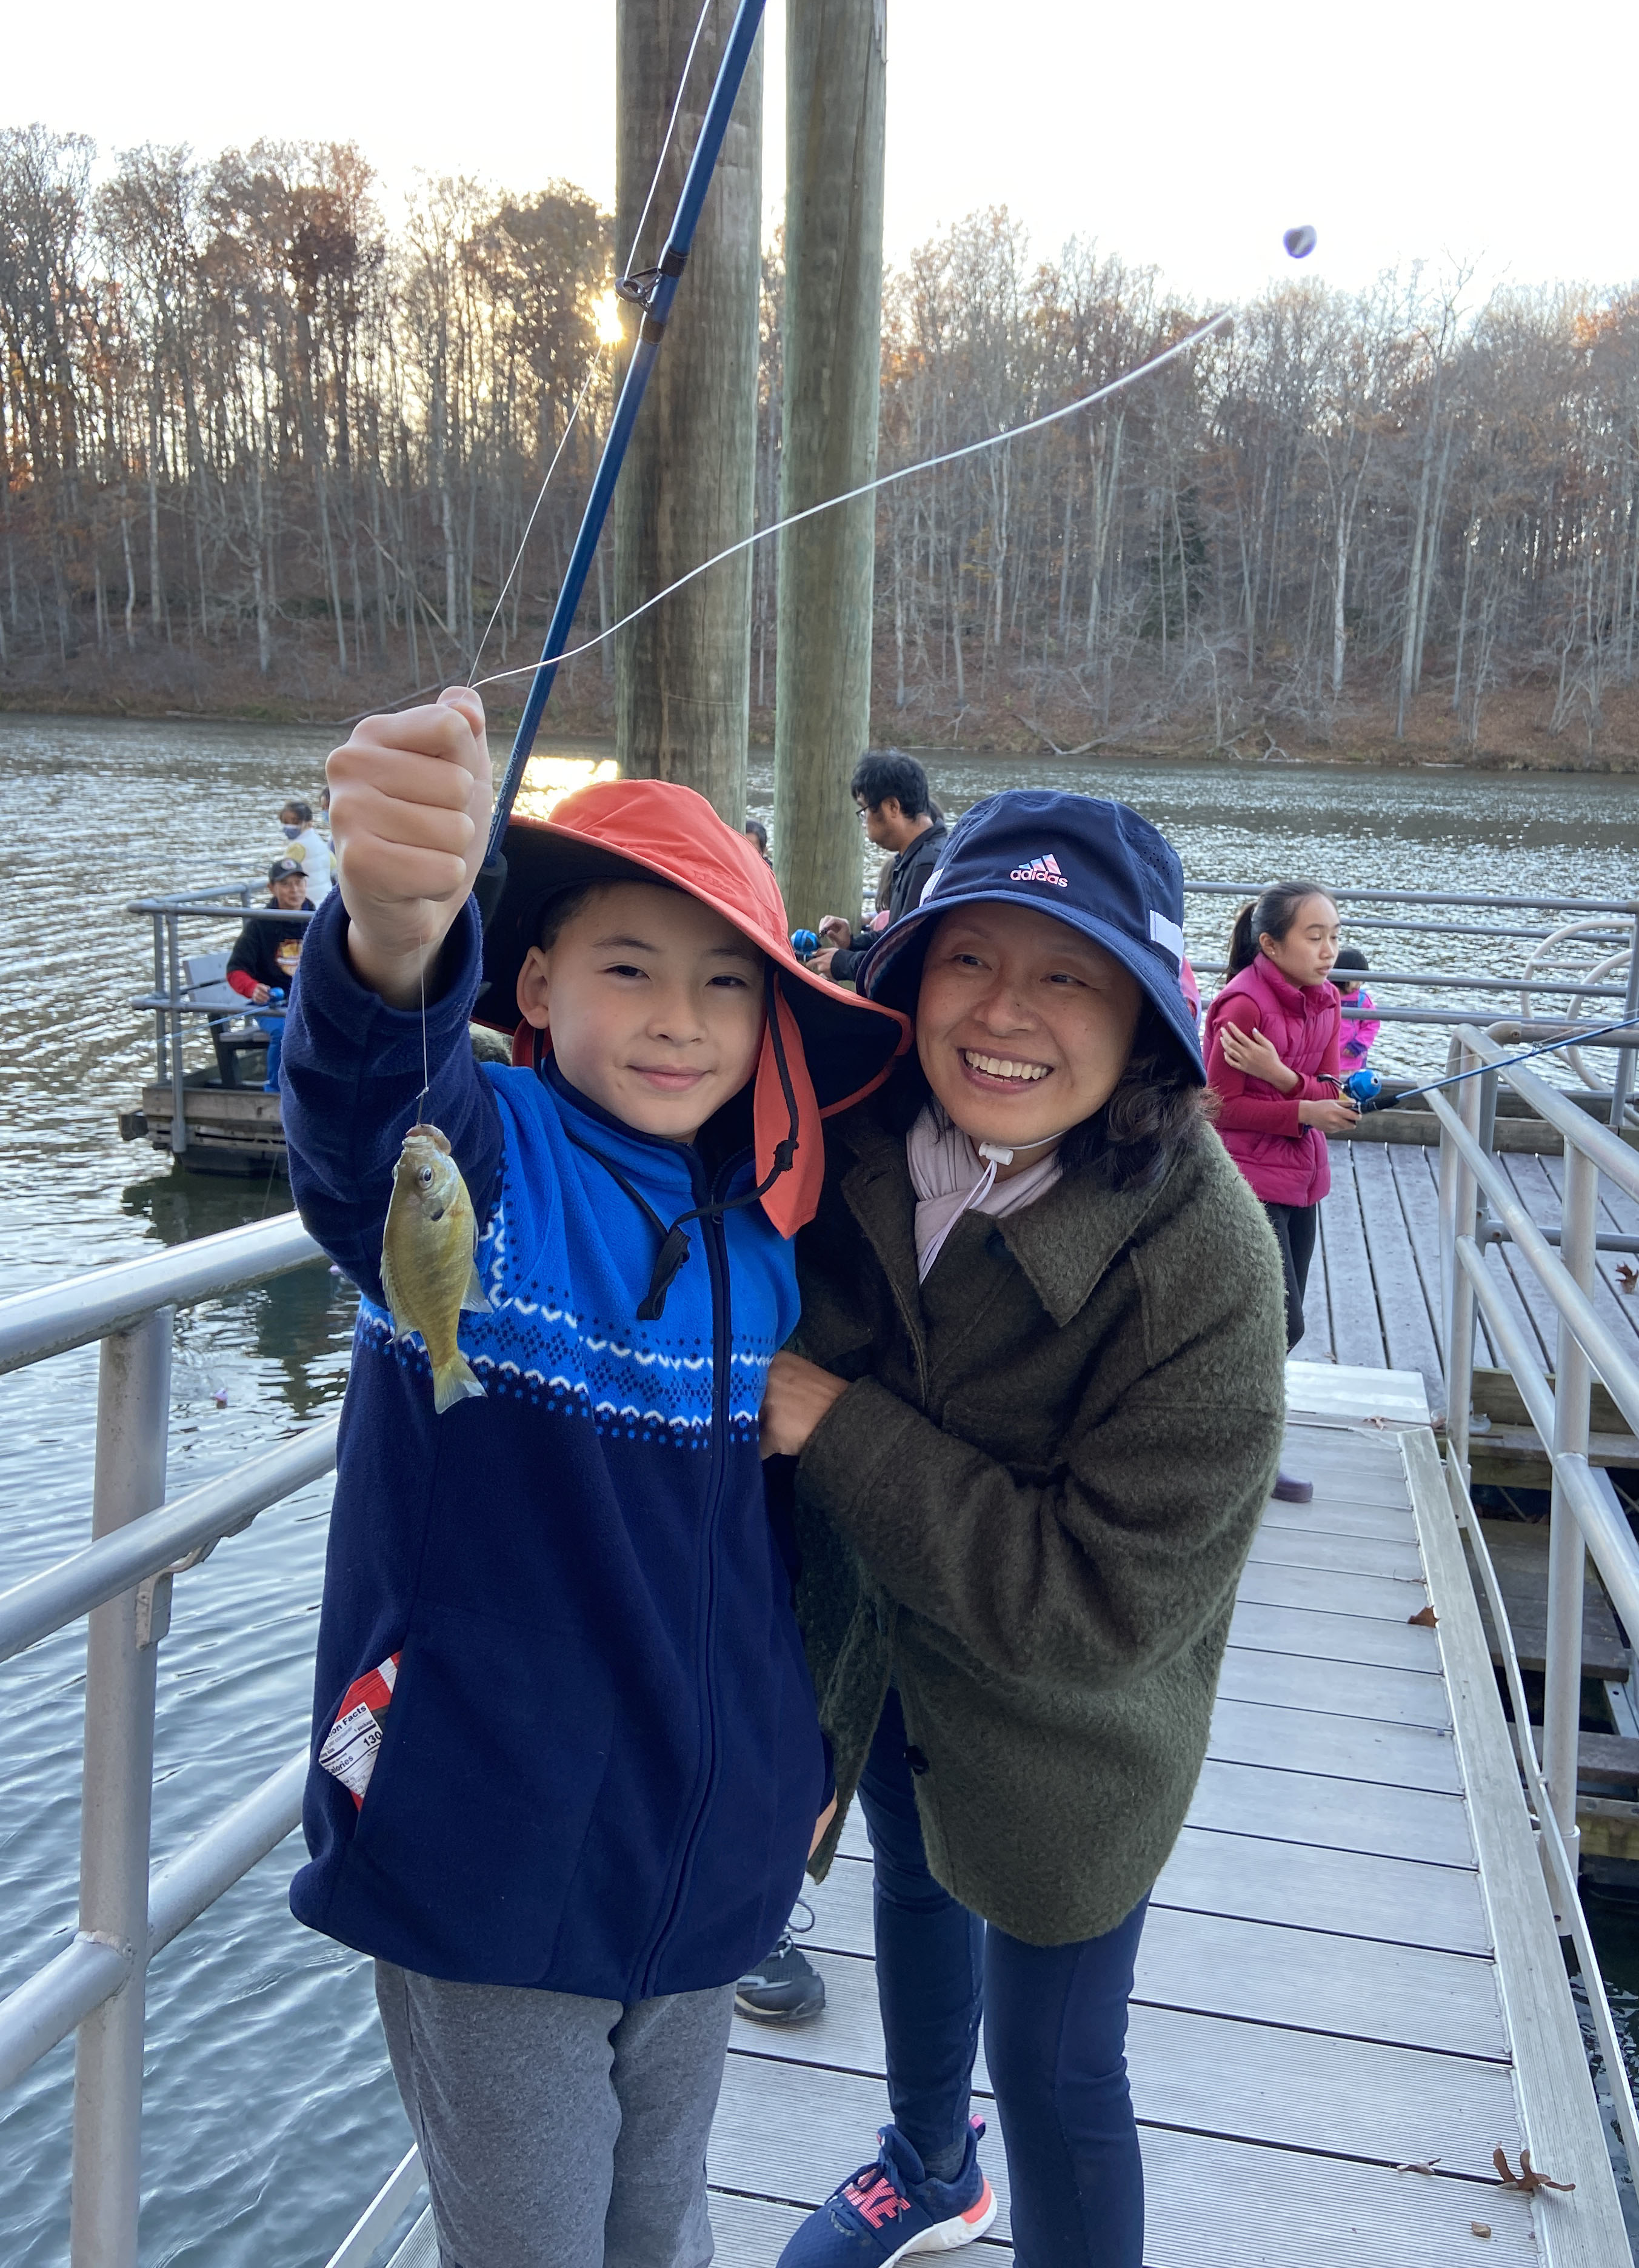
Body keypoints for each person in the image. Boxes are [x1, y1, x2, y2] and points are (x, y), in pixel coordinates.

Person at [279, 686, 908, 2268]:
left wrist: (791, 1766)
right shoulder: (480, 1162)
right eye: (628, 968)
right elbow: (371, 1123)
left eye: (723, 986)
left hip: (701, 1868)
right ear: (536, 982)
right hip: (489, 1852)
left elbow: (773, 1552)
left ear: (772, 1025)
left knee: (661, 2223)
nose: (680, 1018)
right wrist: (394, 942)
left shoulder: (768, 1240)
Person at [759, 791, 1286, 2268]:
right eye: (968, 960)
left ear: (1146, 1024)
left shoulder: (1209, 1267)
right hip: (873, 1666)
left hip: (1077, 1741)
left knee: (1059, 2067)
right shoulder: (835, 1140)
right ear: (906, 978)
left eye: (1069, 974)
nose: (1007, 1014)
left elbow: (1100, 1610)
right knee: (914, 1874)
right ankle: (930, 2163)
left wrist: (836, 1422)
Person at [1204, 880, 1358, 1370]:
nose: (1329, 951)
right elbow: (1217, 1108)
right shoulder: (1243, 1005)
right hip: (1246, 1182)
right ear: (1270, 944)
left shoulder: (1328, 1000)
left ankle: (1235, 1410)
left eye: (1334, 936)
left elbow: (1332, 1090)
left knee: (1275, 1323)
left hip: (1303, 1182)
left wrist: (1282, 1078)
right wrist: (1303, 1112)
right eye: (1314, 937)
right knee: (1280, 1322)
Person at [810, 750, 947, 982]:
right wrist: (852, 943)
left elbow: (907, 959)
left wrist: (843, 963)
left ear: (892, 807)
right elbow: (896, 936)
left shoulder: (929, 864)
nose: (864, 822)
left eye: (864, 810)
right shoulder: (914, 856)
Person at [227, 860, 314, 1088]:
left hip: (310, 1002)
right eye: (286, 884)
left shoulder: (320, 919)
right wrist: (253, 988)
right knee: (285, 1032)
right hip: (272, 1004)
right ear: (271, 888)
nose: (295, 890)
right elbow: (235, 970)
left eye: (299, 883)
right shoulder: (259, 925)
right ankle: (276, 1091)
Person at [1332, 943, 1381, 1072]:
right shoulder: (1326, 994)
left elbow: (1372, 1024)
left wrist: (1359, 1044)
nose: (1359, 984)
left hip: (1352, 1059)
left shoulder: (1362, 1000)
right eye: (1355, 979)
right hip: (1325, 1058)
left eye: (1362, 980)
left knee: (1347, 1090)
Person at [278, 797, 335, 895]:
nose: (289, 826)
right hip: (325, 896)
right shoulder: (318, 840)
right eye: (285, 822)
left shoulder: (297, 846)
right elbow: (334, 865)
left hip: (307, 899)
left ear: (308, 823)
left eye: (295, 822)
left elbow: (284, 874)